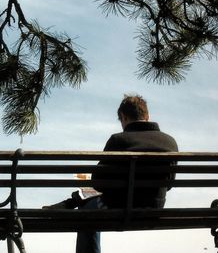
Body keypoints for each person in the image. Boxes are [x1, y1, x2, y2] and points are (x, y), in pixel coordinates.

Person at [43, 94, 178, 253]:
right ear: (147, 115)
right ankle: (68, 203)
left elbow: (98, 183)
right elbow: (168, 185)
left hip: (117, 207)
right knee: (92, 193)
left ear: (123, 117)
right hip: (153, 208)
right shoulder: (170, 142)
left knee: (86, 211)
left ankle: (68, 204)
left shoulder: (119, 140)